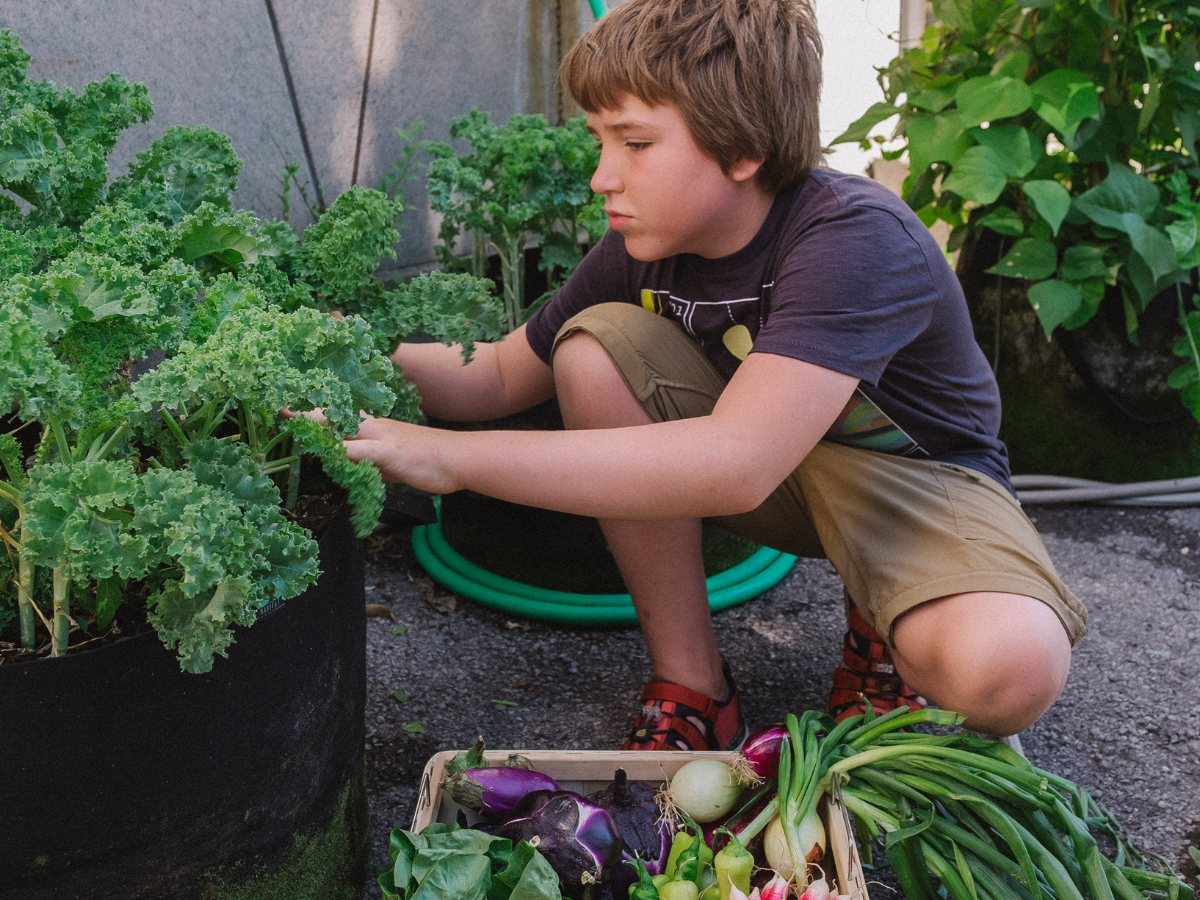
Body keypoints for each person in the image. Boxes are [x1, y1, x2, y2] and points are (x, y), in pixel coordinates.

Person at [345, 0, 1087, 751]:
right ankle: (692, 688)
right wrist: (348, 357)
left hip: (913, 488)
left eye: (636, 142)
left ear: (744, 149)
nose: (604, 175)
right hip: (774, 472)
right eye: (599, 140)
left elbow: (734, 465)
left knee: (1007, 668)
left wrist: (449, 459)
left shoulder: (856, 236)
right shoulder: (647, 243)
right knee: (592, 350)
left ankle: (887, 632)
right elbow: (500, 374)